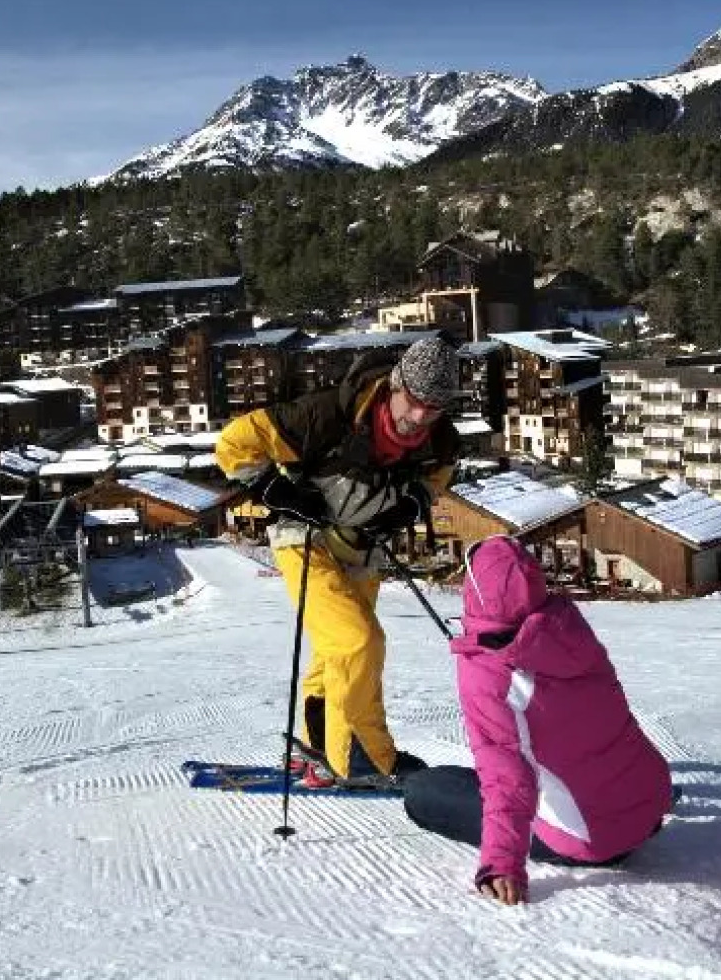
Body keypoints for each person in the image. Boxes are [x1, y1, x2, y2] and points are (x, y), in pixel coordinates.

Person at [215, 336, 463, 786]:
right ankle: (363, 759)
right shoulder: (326, 415)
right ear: (396, 384)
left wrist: (410, 506)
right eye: (414, 402)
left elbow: (439, 474)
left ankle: (318, 747)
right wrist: (278, 491)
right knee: (358, 643)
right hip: (305, 540)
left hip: (361, 549)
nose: (419, 417)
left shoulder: (440, 438)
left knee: (337, 653)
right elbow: (234, 443)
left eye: (434, 409)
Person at [404, 535, 675, 905]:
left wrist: (503, 863)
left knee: (423, 789)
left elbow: (508, 777)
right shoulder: (567, 630)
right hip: (649, 805)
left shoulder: (488, 673)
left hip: (593, 839)